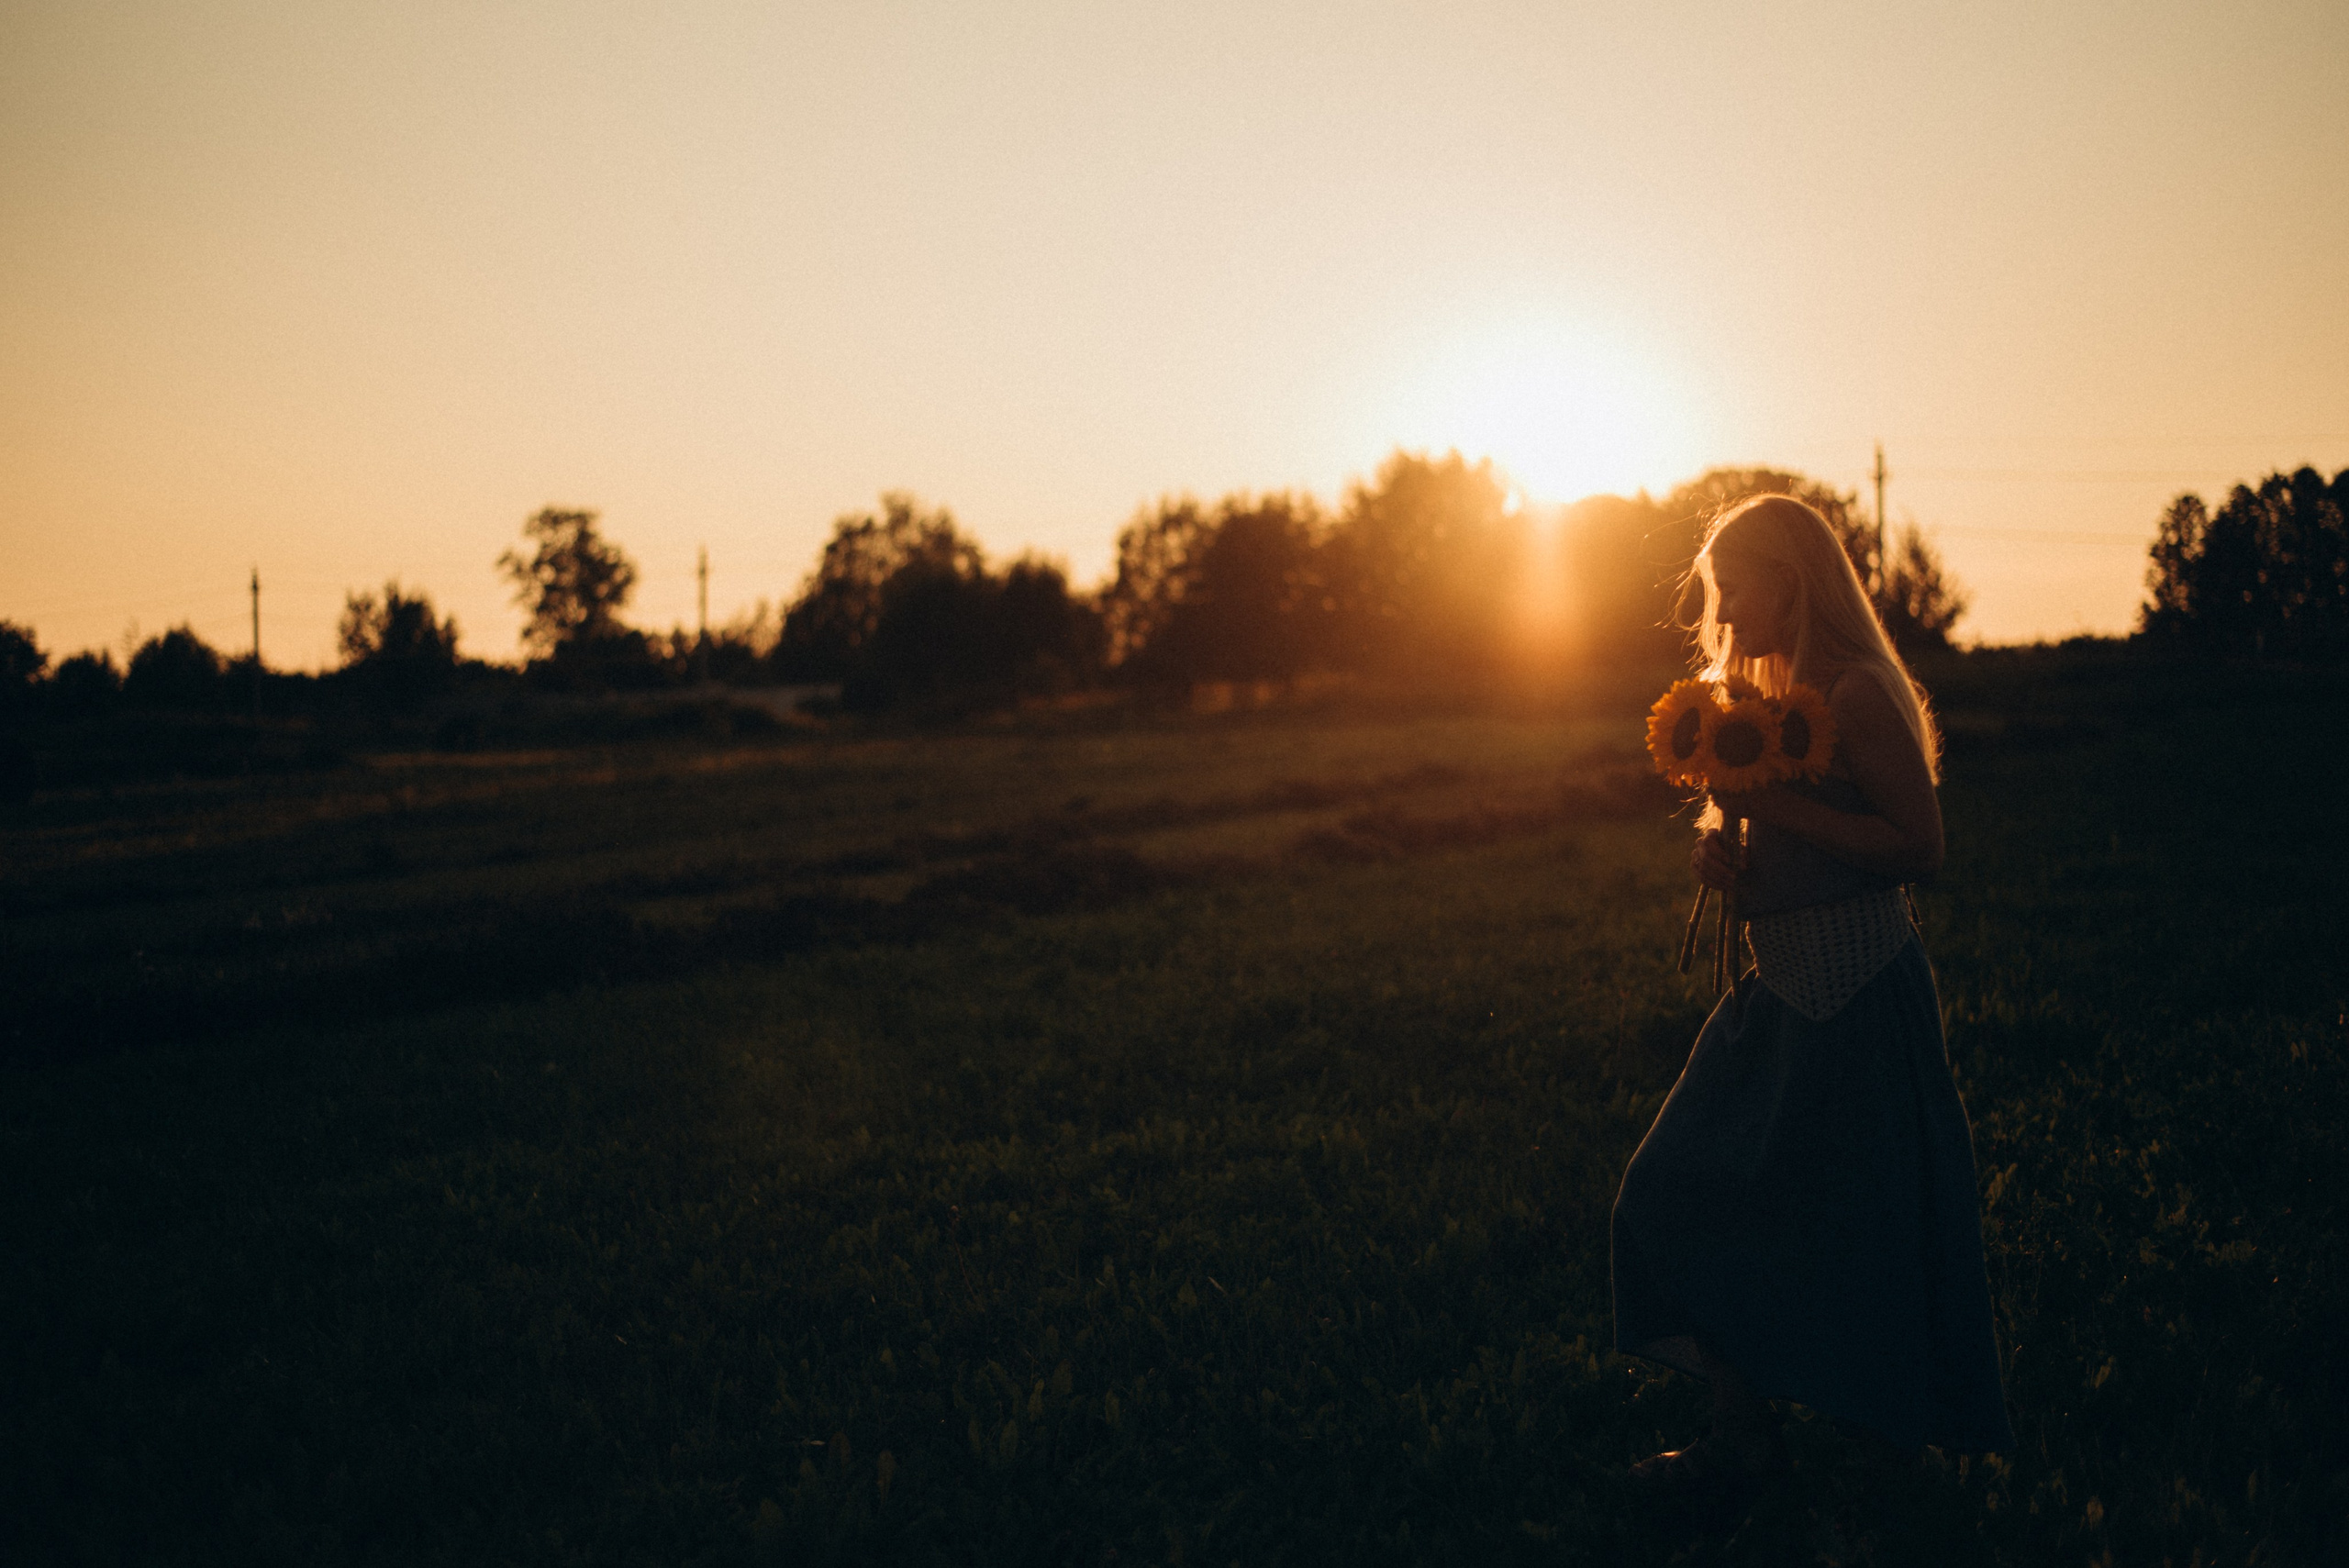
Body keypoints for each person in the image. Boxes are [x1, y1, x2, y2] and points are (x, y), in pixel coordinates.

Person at [1610, 494, 2014, 1492]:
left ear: (1790, 582)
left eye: (1732, 587)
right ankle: (1742, 1429)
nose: (1720, 613)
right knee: (1673, 1185)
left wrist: (1780, 810)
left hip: (1861, 992)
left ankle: (1880, 1457)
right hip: (1777, 992)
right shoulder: (1766, 698)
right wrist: (1726, 859)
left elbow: (1920, 846)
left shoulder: (1857, 694)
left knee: (1862, 1223)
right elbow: (1776, 835)